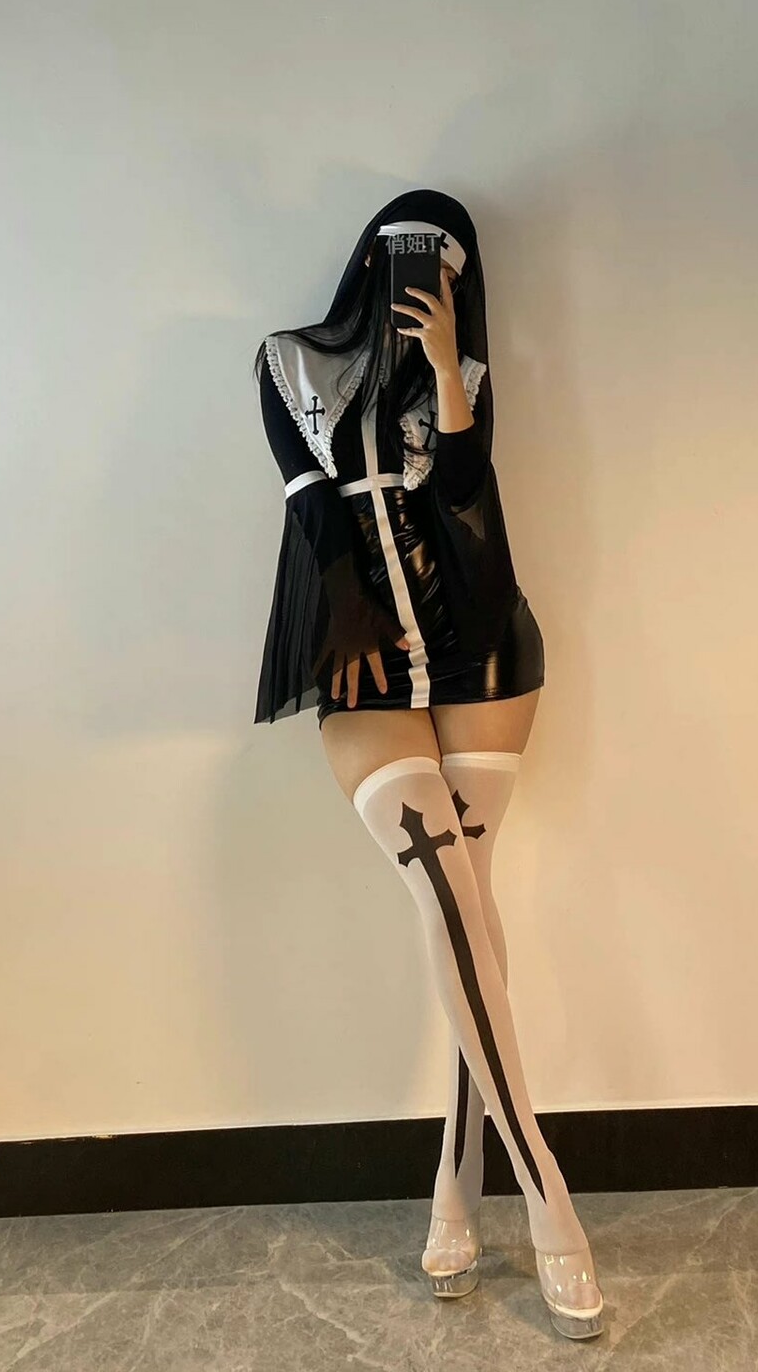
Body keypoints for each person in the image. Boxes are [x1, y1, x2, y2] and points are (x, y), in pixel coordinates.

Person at [252, 188, 604, 1341]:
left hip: (484, 650)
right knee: (450, 896)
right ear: (369, 263)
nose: (421, 281)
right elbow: (315, 518)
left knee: (467, 908)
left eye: (445, 265)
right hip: (363, 659)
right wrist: (352, 618)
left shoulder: (467, 376)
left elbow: (464, 495)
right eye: (407, 259)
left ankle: (456, 1188)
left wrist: (449, 370)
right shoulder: (290, 364)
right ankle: (548, 1194)